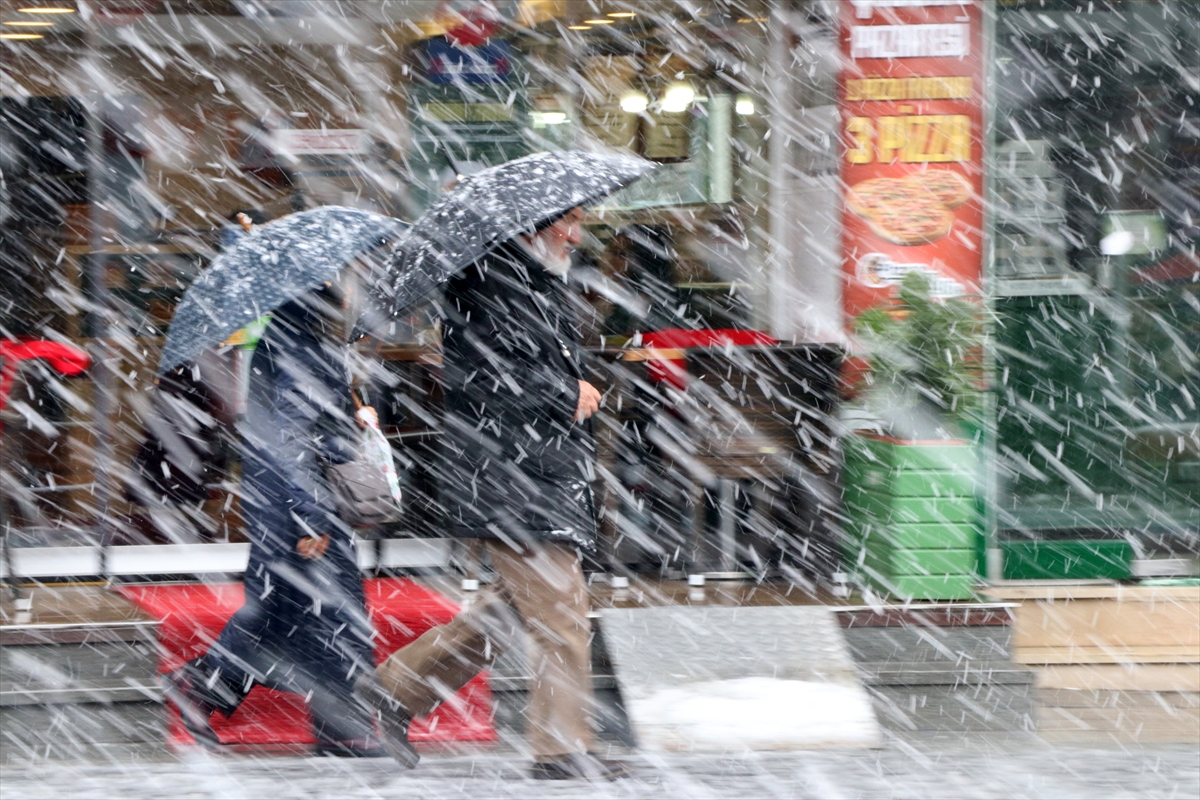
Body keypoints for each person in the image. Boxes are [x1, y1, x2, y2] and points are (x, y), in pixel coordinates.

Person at [357, 206, 626, 781]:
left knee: (509, 614)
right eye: (568, 223)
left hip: (533, 475)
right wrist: (566, 389)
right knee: (563, 618)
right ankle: (561, 750)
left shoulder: (527, 283)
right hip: (515, 479)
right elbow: (487, 380)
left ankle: (393, 689)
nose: (577, 235)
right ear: (533, 227)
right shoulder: (494, 285)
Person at [163, 280, 385, 757]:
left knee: (282, 610)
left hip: (281, 500)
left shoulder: (282, 343)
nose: (350, 297)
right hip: (301, 502)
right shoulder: (307, 350)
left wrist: (352, 416)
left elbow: (294, 428)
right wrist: (311, 515)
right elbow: (294, 436)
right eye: (341, 288)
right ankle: (337, 727)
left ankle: (204, 685)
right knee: (328, 613)